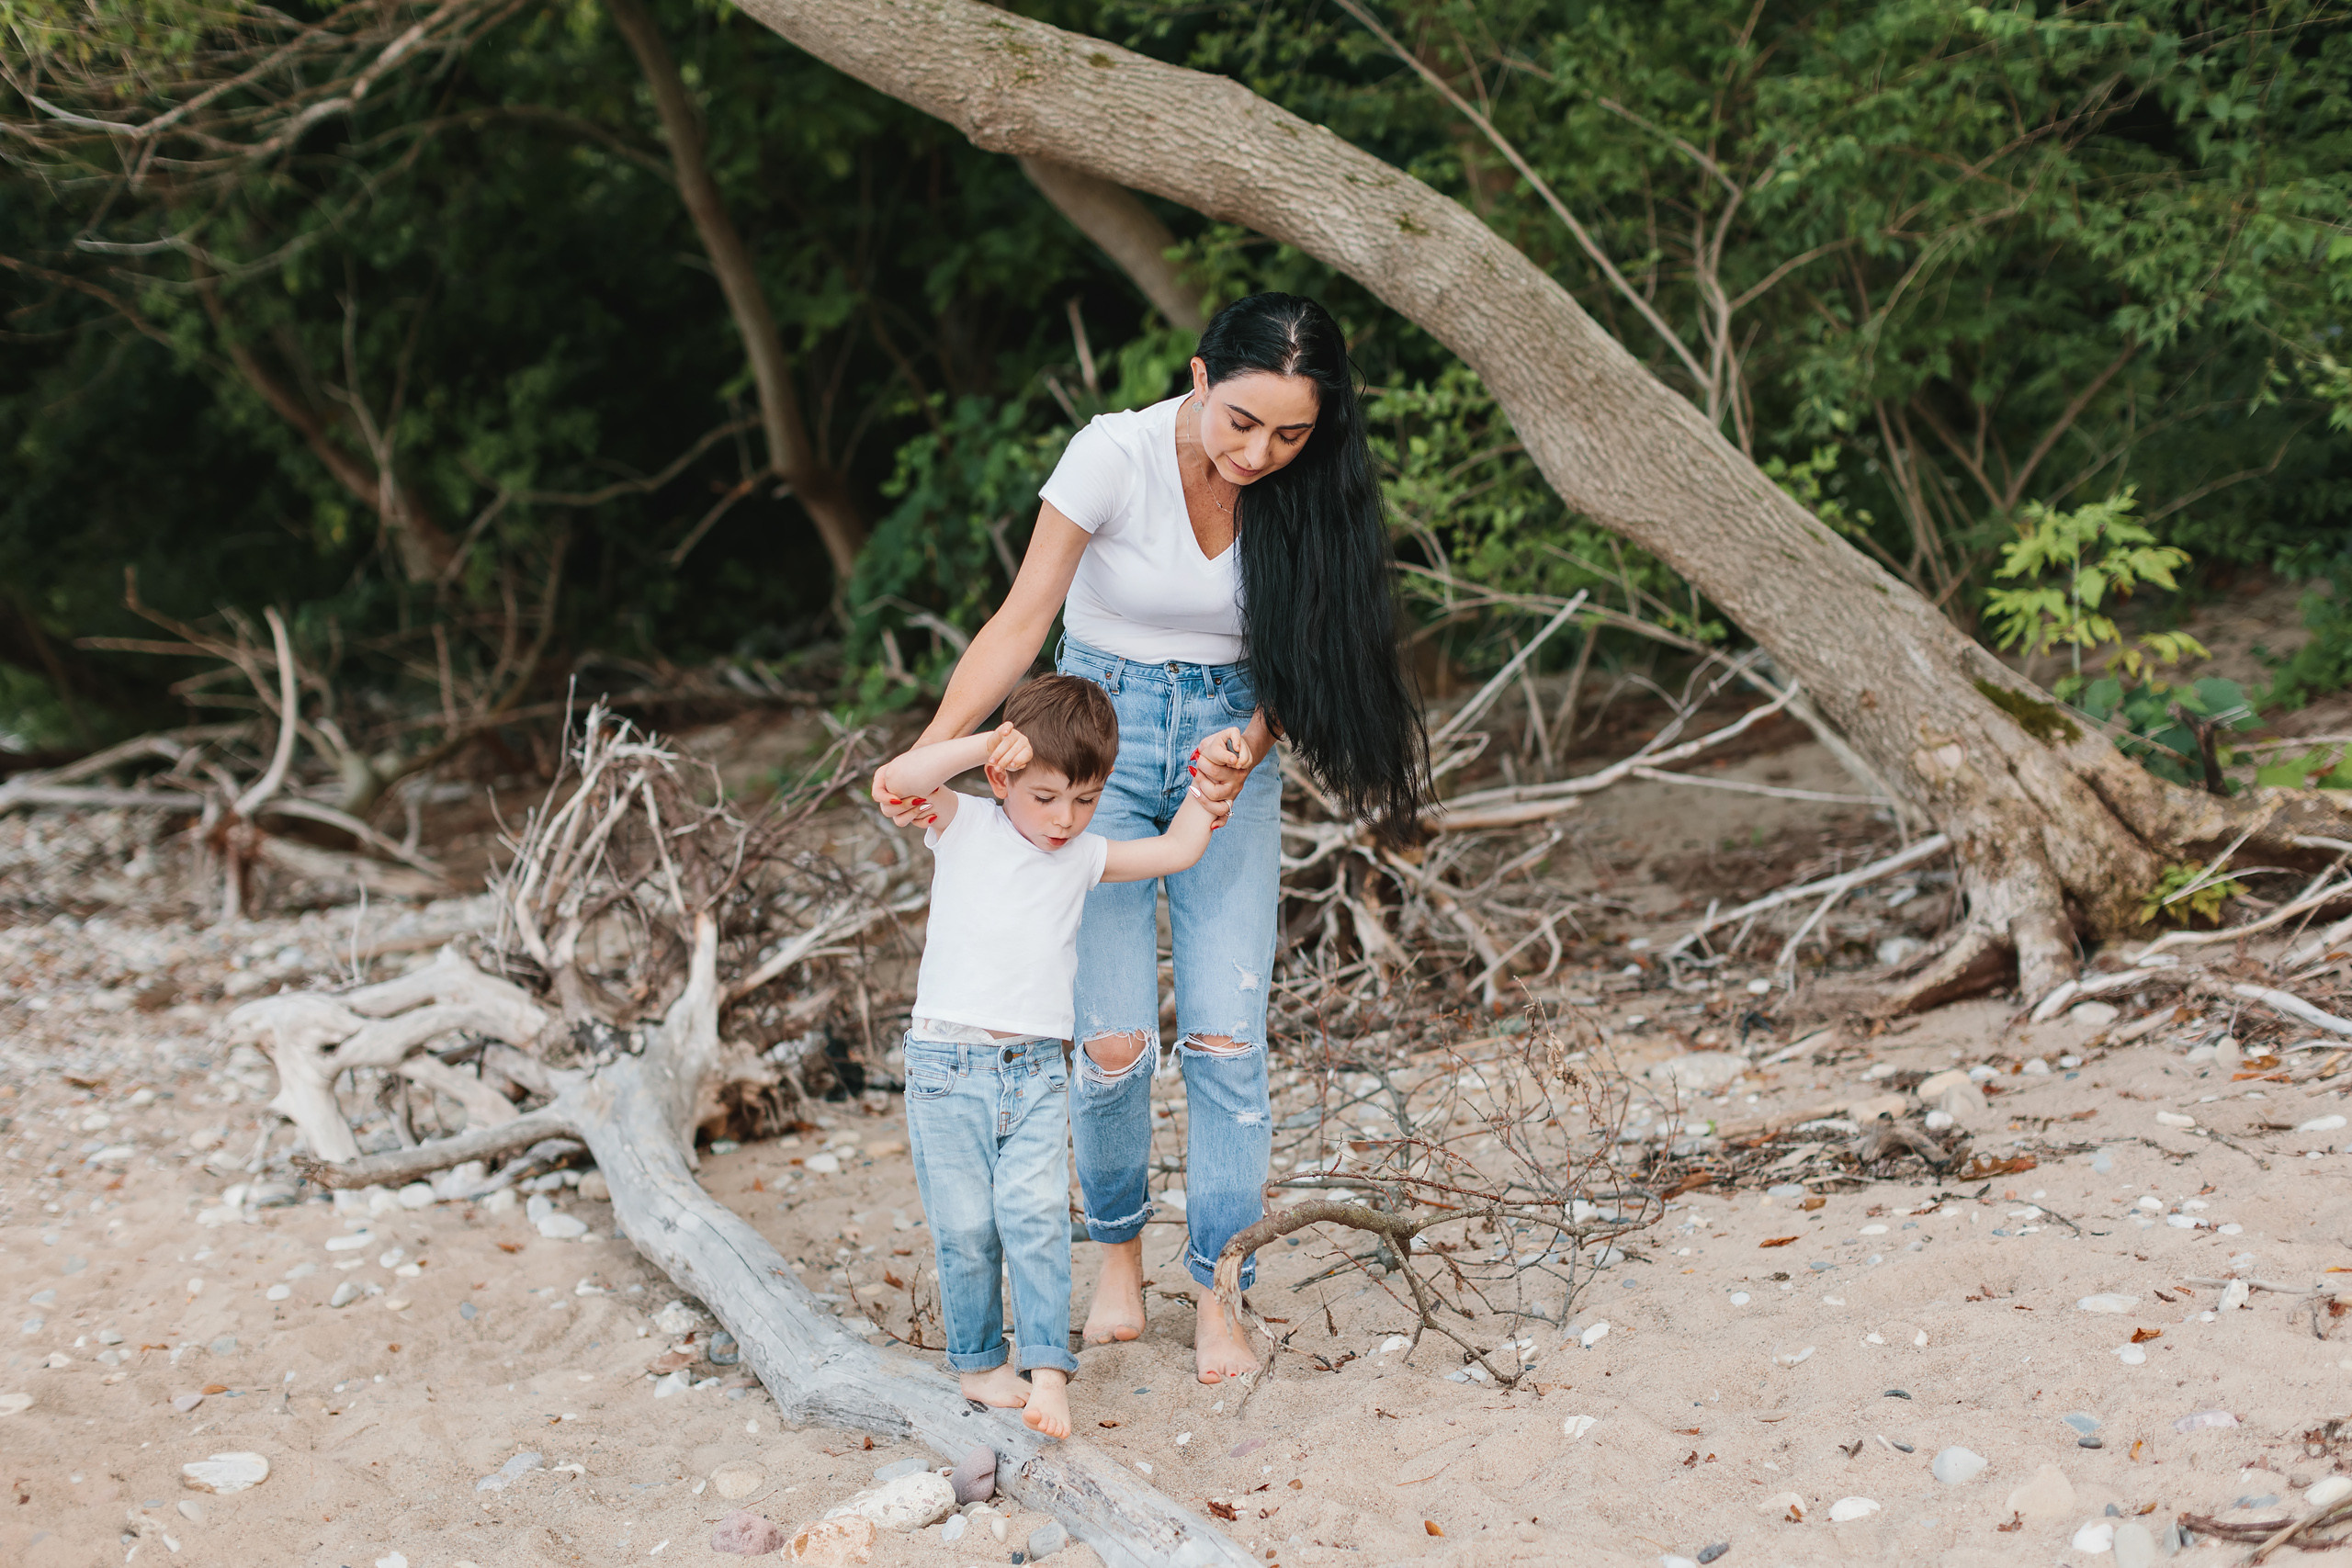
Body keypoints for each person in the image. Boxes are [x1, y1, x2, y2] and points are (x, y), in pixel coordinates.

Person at [874, 292, 1427, 1383]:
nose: (1261, 452)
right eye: (1241, 423)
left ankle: (1220, 1284)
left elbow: (1304, 654)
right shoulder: (1111, 457)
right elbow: (1023, 618)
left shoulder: (1303, 488)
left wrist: (1250, 742)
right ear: (1196, 375)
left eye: (1290, 434)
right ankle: (1117, 1253)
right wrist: (930, 751)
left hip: (1225, 742)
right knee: (1112, 1041)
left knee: (1227, 1041)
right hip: (1098, 745)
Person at [875, 673, 1228, 1438]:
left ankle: (1046, 1372)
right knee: (966, 1226)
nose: (1065, 818)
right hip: (944, 1068)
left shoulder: (1084, 854)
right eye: (1044, 797)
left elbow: (1175, 848)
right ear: (1002, 777)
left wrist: (1209, 790)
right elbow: (901, 776)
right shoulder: (964, 822)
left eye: (1084, 798)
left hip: (1033, 1071)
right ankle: (977, 1362)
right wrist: (983, 742)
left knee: (1035, 1217)